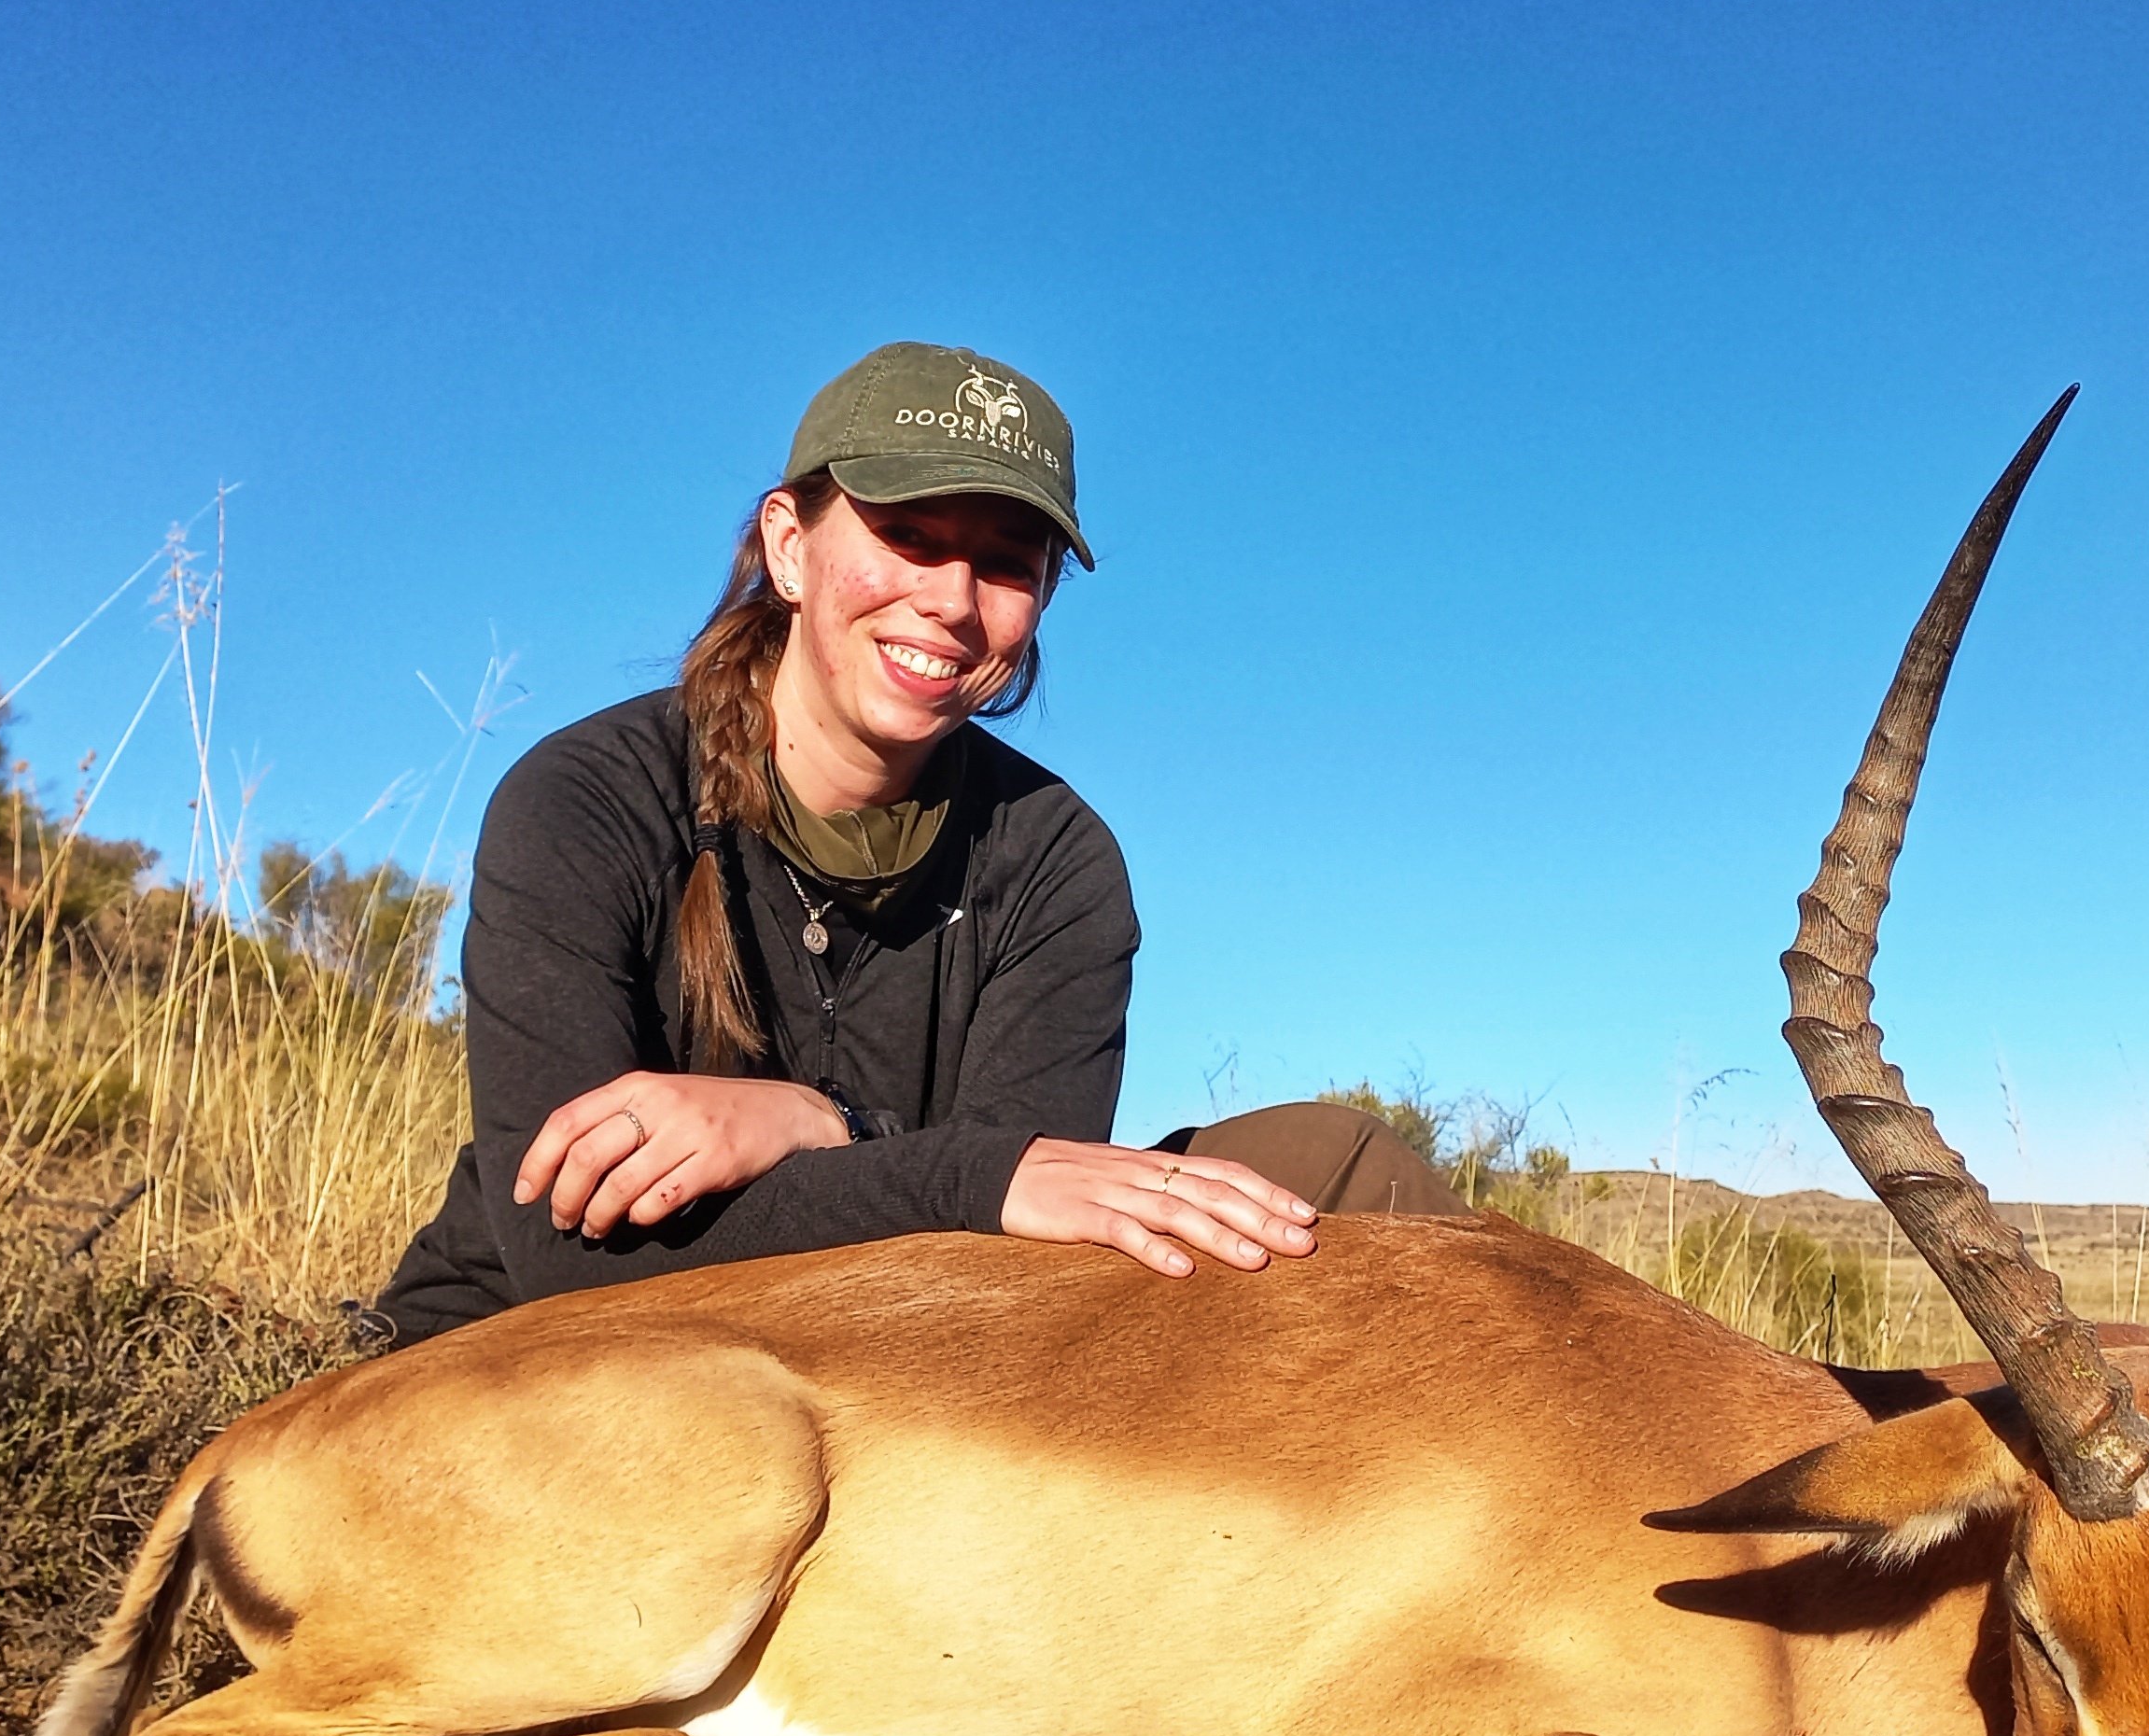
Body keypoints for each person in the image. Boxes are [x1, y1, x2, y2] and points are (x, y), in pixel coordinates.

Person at [365, 342, 1466, 1347]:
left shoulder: (1059, 860)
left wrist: (816, 1126)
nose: (950, 601)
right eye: (909, 537)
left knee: (1332, 1163)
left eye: (1004, 563)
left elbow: (1008, 1232)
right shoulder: (589, 797)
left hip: (892, 1357)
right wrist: (883, 1150)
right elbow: (564, 1250)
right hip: (550, 1350)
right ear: (789, 548)